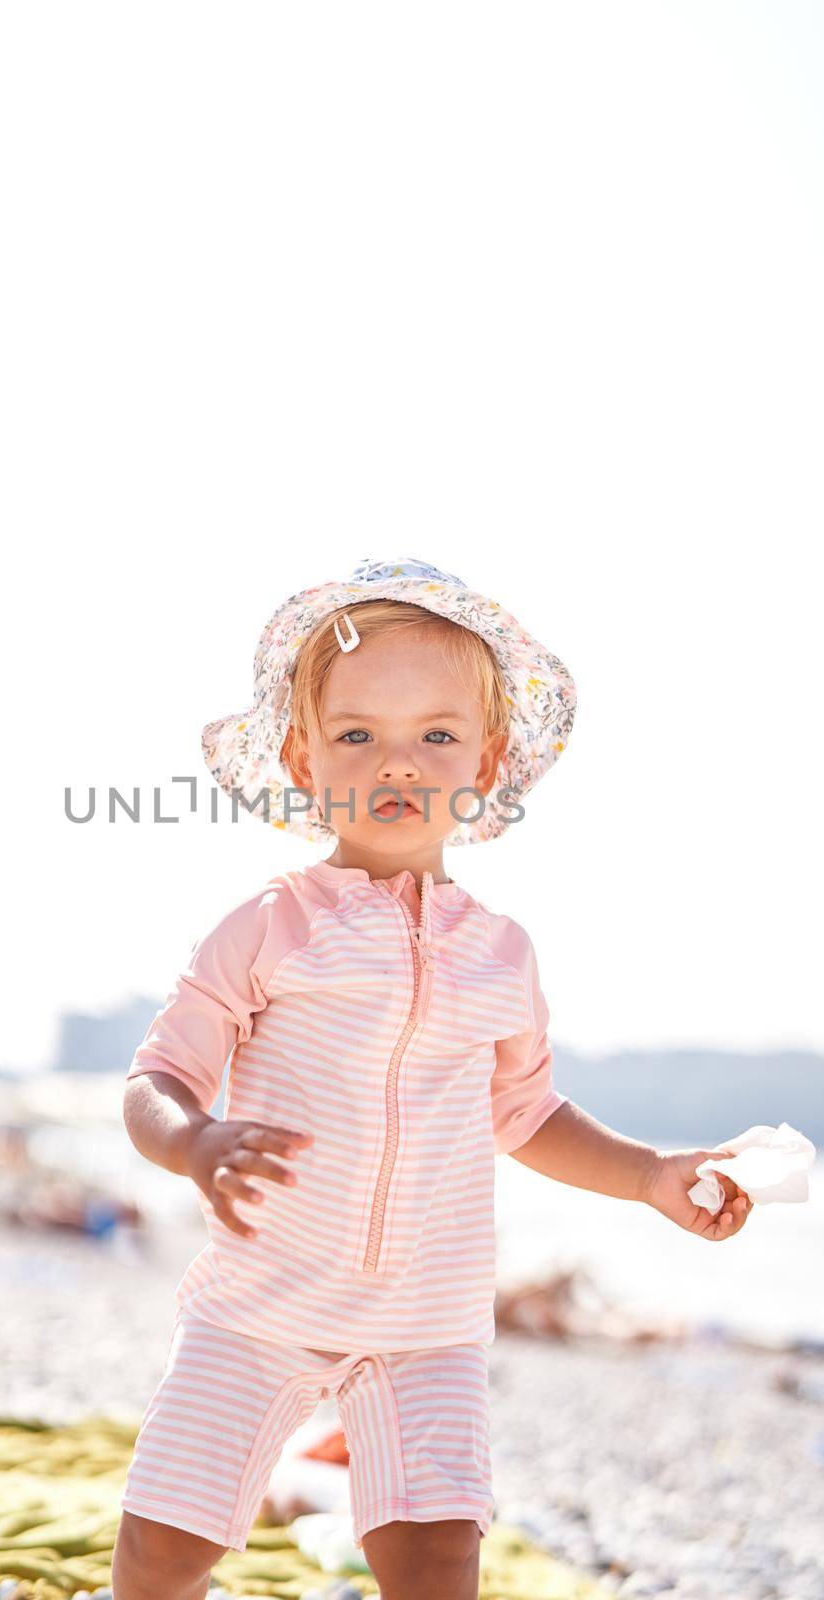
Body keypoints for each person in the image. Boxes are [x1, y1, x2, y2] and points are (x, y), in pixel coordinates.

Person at [111, 556, 753, 1600]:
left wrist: (644, 1175)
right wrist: (189, 1141)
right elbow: (158, 1074)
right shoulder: (272, 924)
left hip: (429, 1317)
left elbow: (524, 1110)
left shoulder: (499, 953)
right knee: (167, 1541)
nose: (396, 764)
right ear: (302, 756)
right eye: (358, 735)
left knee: (437, 1550)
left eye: (436, 736)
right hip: (261, 1300)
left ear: (487, 759)